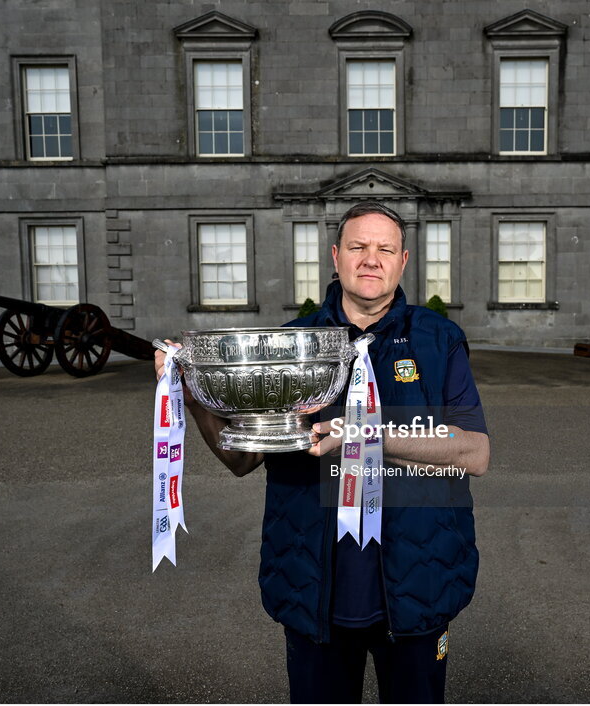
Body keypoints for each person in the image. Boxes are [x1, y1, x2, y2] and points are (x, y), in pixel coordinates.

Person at [155, 201, 489, 703]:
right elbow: (242, 459)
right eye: (357, 247)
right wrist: (187, 389)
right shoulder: (290, 343)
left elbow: (474, 451)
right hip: (313, 589)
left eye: (385, 249)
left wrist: (364, 435)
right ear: (336, 257)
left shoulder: (439, 340)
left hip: (420, 584)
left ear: (404, 260)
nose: (370, 259)